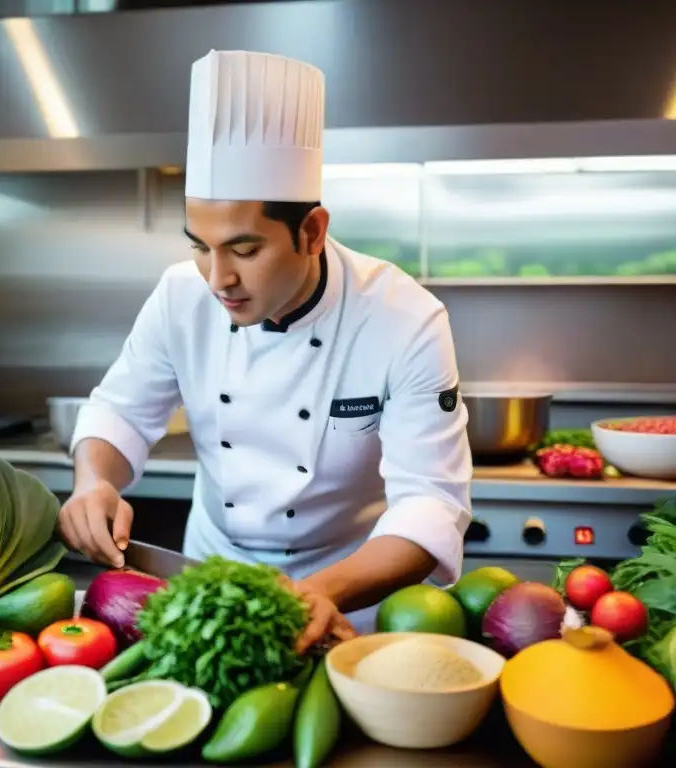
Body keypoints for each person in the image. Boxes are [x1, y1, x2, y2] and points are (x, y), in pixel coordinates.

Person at [57, 49, 473, 649]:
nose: (217, 277)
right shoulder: (181, 294)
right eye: (200, 246)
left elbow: (429, 506)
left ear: (312, 231)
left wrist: (320, 593)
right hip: (208, 583)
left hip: (346, 601)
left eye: (245, 251)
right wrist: (95, 481)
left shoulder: (405, 321)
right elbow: (122, 410)